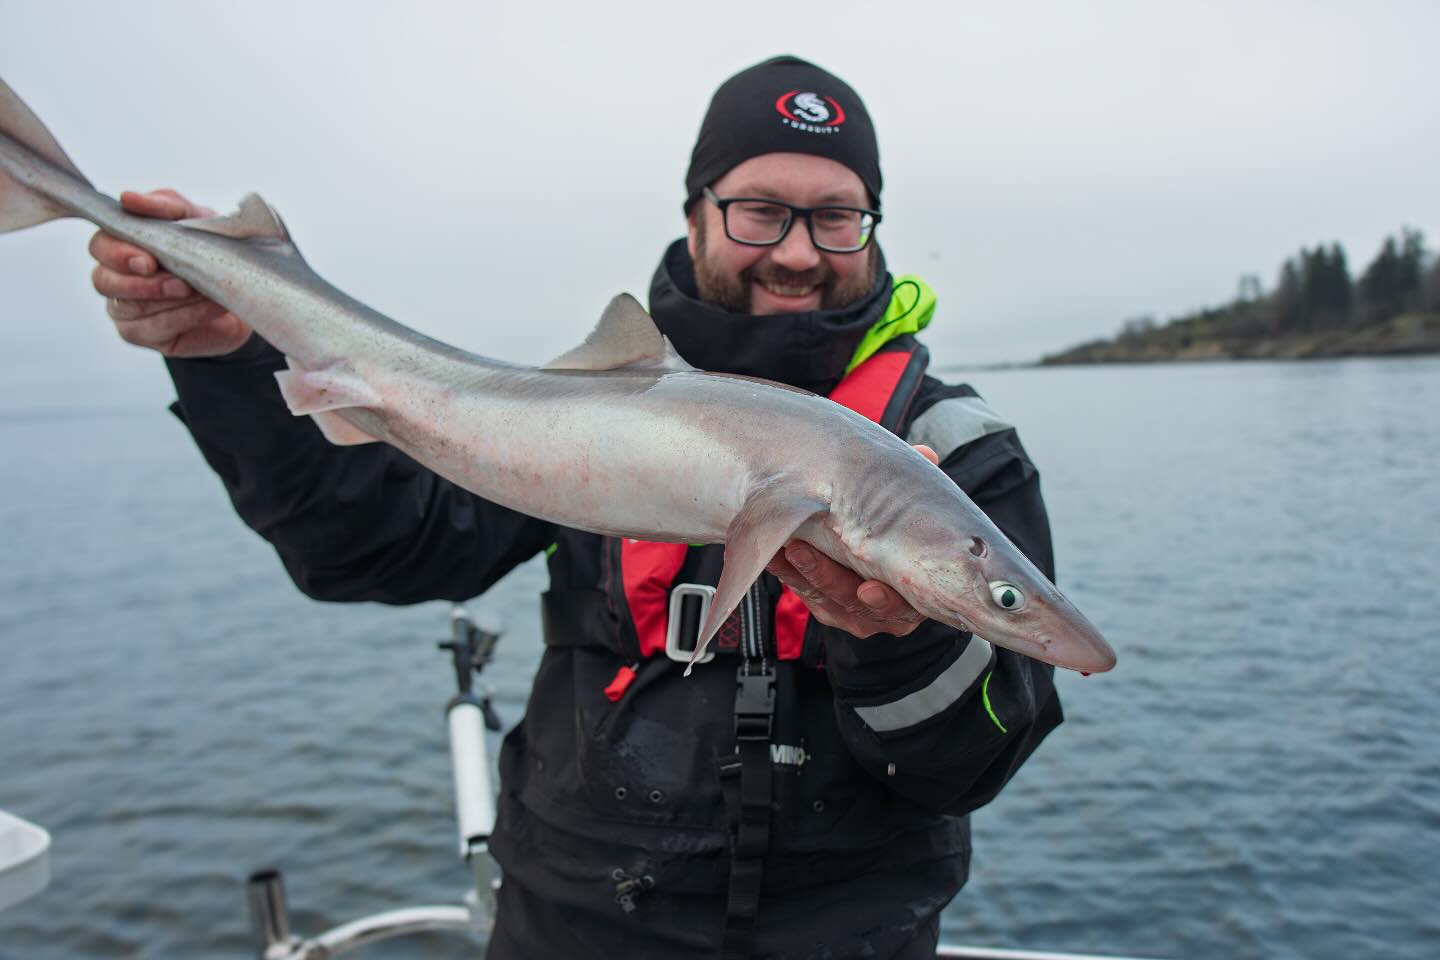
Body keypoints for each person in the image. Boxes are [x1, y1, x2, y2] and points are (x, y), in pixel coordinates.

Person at [89, 56, 1062, 960]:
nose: (800, 253)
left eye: (838, 217)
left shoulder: (956, 455)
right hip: (573, 923)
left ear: (873, 230)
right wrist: (230, 365)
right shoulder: (572, 420)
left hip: (847, 933)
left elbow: (966, 769)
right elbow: (369, 550)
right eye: (761, 211)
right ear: (696, 221)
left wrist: (902, 640)